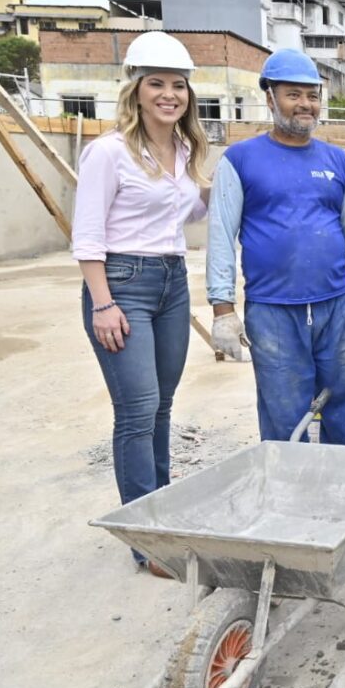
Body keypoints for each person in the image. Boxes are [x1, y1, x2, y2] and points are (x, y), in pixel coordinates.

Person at [72, 31, 210, 576]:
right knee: (135, 411)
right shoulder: (107, 152)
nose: (169, 94)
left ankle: (164, 518)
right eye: (157, 83)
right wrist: (103, 304)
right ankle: (147, 543)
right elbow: (87, 237)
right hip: (121, 281)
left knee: (161, 407)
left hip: (172, 279)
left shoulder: (183, 150)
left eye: (178, 86)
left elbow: (189, 218)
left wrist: (210, 187)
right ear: (136, 89)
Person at [207, 49, 345, 446]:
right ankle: (290, 497)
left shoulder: (338, 161)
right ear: (270, 97)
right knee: (284, 414)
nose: (306, 105)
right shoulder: (240, 160)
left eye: (312, 95)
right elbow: (220, 236)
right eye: (293, 94)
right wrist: (223, 310)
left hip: (336, 306)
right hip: (272, 312)